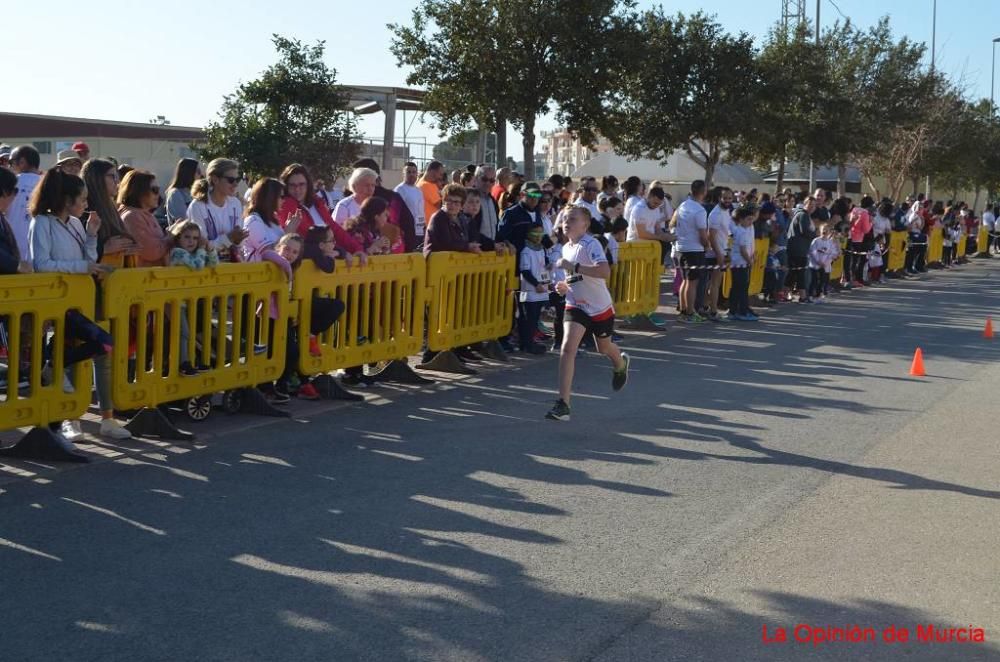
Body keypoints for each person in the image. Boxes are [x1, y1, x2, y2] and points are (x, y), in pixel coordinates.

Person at [28, 167, 115, 443]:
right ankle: (65, 418)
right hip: (54, 304)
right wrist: (83, 266)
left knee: (104, 344)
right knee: (98, 343)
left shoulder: (77, 224)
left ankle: (52, 365)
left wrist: (91, 236)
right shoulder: (42, 222)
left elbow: (86, 260)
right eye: (83, 199)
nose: (87, 204)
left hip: (76, 303)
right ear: (68, 200)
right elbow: (42, 265)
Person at [545, 206, 629, 422]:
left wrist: (574, 266)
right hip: (576, 305)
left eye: (572, 219)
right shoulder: (565, 248)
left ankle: (620, 363)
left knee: (604, 347)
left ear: (585, 224)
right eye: (564, 218)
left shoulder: (590, 244)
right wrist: (562, 286)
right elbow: (573, 278)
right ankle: (563, 403)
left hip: (600, 307)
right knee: (567, 348)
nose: (566, 222)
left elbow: (604, 272)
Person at [275, 163, 366, 261]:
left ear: (308, 185)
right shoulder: (286, 204)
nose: (297, 189)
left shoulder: (317, 203)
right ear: (286, 187)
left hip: (326, 261)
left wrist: (357, 249)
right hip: (306, 265)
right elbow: (309, 236)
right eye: (292, 185)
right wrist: (341, 252)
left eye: (301, 184)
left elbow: (334, 228)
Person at [168, 220, 218, 376]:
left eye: (196, 238)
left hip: (187, 300)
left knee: (190, 333)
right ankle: (183, 363)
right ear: (178, 238)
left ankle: (193, 360)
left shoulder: (194, 253)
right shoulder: (177, 252)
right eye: (187, 237)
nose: (191, 241)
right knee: (183, 332)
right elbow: (197, 265)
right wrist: (202, 249)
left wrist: (210, 248)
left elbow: (214, 264)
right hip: (173, 300)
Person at [186, 158, 247, 261]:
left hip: (231, 267)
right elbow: (201, 246)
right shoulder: (198, 206)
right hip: (206, 268)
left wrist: (239, 239)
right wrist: (228, 239)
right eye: (231, 180)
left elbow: (238, 243)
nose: (236, 184)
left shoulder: (235, 203)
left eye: (237, 180)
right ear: (215, 180)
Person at [118, 170, 172, 267]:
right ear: (140, 191)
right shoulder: (132, 217)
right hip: (143, 279)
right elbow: (152, 251)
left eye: (158, 190)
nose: (158, 195)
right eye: (154, 190)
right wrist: (172, 237)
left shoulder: (144, 214)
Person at [675, 180, 710, 322]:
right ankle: (690, 312)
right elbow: (702, 233)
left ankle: (684, 309)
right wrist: (707, 245)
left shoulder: (683, 205)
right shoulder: (699, 210)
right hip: (694, 248)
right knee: (693, 282)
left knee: (685, 280)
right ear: (704, 192)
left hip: (681, 247)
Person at [517, 224, 550, 355]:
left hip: (541, 290)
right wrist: (536, 284)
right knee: (529, 318)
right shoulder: (526, 251)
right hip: (530, 290)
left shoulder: (542, 249)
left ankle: (530, 342)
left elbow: (544, 268)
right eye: (535, 233)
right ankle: (526, 344)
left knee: (535, 318)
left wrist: (547, 284)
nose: (538, 236)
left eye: (540, 233)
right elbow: (525, 271)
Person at [6, 145, 43, 260]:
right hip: (41, 254)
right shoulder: (48, 185)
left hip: (13, 253)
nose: (9, 166)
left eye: (11, 162)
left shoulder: (9, 183)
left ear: (22, 162)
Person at [423, 184, 479, 256]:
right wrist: (467, 246)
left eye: (456, 202)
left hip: (455, 263)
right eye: (449, 201)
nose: (452, 205)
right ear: (444, 201)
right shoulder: (438, 218)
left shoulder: (462, 218)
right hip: (436, 263)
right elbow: (446, 243)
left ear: (462, 205)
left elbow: (471, 237)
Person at [727, 206, 757, 321]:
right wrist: (750, 261)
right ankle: (742, 311)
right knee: (741, 288)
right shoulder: (741, 232)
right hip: (740, 263)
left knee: (738, 287)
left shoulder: (745, 230)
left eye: (751, 219)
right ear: (741, 220)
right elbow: (743, 250)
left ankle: (734, 310)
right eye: (748, 219)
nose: (751, 222)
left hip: (742, 263)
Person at [0, 167, 31, 275]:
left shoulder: (2, 218)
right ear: (4, 192)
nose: (16, 196)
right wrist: (16, 265)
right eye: (15, 190)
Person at [497, 183, 543, 253]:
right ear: (522, 195)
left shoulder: (538, 214)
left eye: (537, 195)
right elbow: (501, 236)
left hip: (536, 259)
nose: (534, 198)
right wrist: (508, 243)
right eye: (531, 195)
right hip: (516, 259)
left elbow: (541, 236)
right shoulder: (511, 213)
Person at [787, 197, 816, 302]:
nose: (812, 207)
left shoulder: (804, 215)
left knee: (793, 273)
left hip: (799, 248)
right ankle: (803, 296)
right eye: (810, 204)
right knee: (800, 272)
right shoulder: (803, 215)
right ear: (804, 204)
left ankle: (785, 293)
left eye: (814, 205)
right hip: (798, 249)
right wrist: (815, 234)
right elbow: (805, 231)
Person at [165, 158, 202, 224]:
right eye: (198, 171)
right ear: (189, 173)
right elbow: (183, 220)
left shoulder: (196, 193)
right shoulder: (175, 193)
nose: (201, 175)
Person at [394, 162, 425, 239]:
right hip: (406, 231)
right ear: (403, 174)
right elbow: (396, 211)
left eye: (414, 172)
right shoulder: (400, 190)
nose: (412, 174)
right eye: (409, 172)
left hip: (419, 230)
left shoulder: (419, 190)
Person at [808, 223, 835, 303]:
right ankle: (810, 295)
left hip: (824, 265)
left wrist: (826, 262)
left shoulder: (830, 242)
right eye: (823, 229)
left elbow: (832, 254)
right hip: (814, 265)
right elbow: (812, 252)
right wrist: (818, 261)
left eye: (827, 229)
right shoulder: (816, 241)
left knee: (822, 281)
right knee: (814, 280)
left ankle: (819, 295)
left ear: (830, 232)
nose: (825, 231)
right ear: (820, 231)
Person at [417, 161, 445, 229]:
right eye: (440, 174)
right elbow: (441, 205)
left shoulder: (419, 183)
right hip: (431, 226)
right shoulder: (427, 185)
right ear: (432, 172)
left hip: (425, 225)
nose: (441, 178)